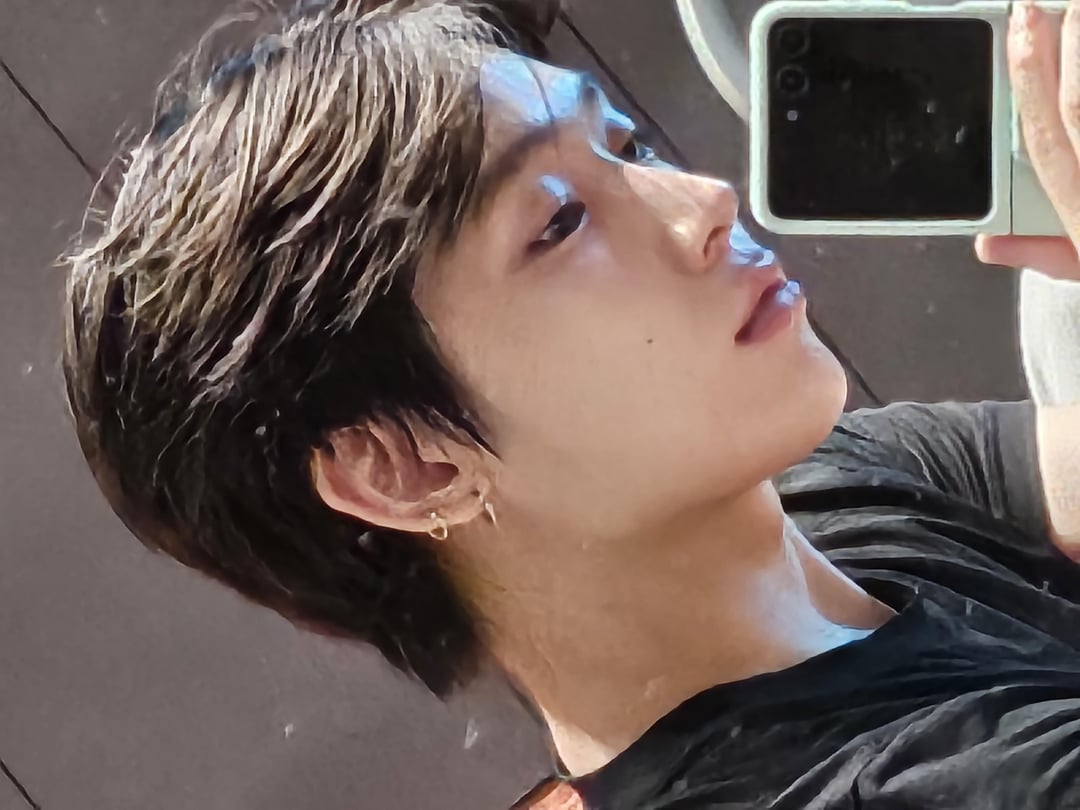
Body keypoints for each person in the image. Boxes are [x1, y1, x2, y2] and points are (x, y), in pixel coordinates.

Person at [58, 1, 1080, 807]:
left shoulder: (819, 497)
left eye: (627, 148)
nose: (705, 203)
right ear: (408, 467)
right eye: (558, 223)